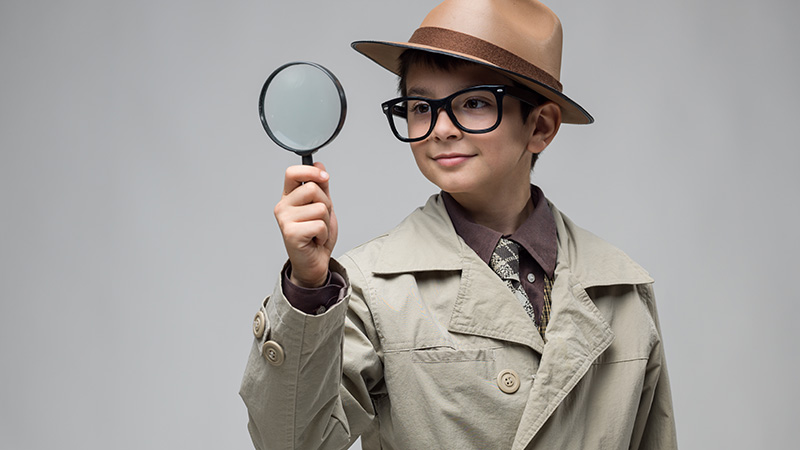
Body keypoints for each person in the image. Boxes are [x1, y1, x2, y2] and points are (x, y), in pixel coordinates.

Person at [240, 0, 677, 448]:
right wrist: (308, 285)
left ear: (541, 126)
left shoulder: (620, 288)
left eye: (473, 103)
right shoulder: (372, 289)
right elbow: (292, 439)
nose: (441, 128)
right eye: (420, 106)